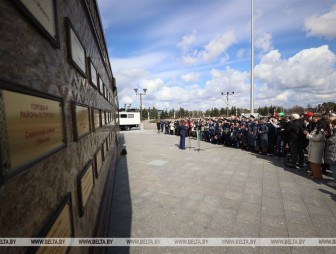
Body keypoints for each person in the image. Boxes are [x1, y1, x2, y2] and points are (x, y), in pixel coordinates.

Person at [325, 119, 336, 186]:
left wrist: (326, 137)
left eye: (332, 124)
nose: (331, 125)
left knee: (333, 167)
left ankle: (335, 182)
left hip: (334, 151)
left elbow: (331, 141)